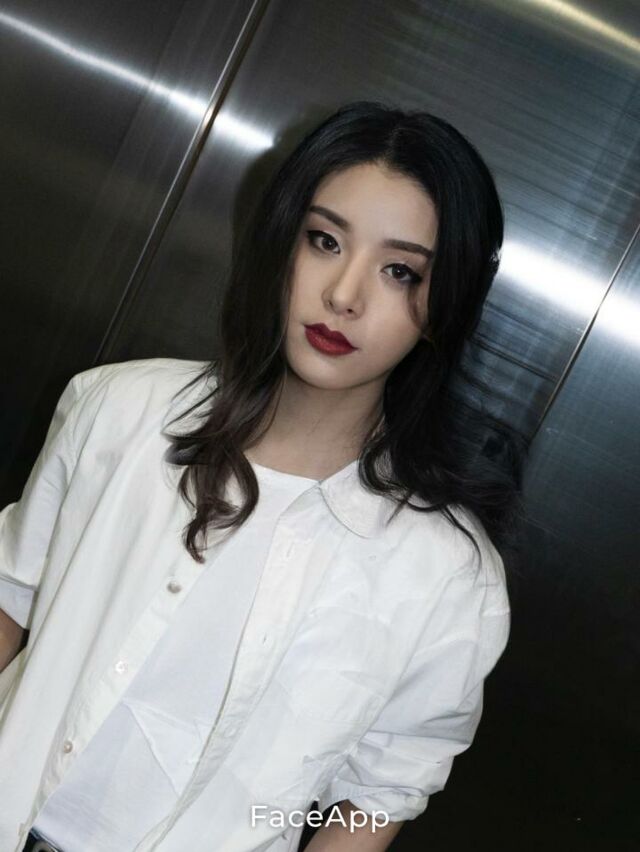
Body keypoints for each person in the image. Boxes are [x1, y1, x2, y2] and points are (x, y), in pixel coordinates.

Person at [0, 100, 522, 852]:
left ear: (445, 304)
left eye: (400, 270)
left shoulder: (446, 575)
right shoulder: (118, 409)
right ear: (283, 242)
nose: (344, 295)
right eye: (324, 240)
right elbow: (9, 600)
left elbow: (372, 804)